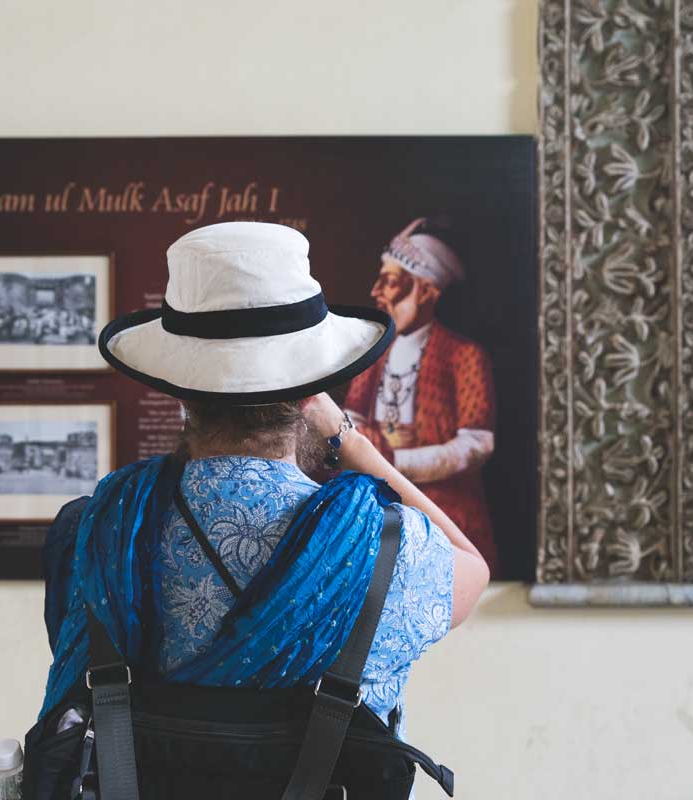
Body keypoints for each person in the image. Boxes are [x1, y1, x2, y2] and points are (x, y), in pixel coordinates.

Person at [37, 221, 489, 744]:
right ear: (309, 396)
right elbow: (472, 569)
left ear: (181, 394)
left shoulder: (105, 530)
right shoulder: (386, 547)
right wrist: (354, 444)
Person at [344, 218, 500, 573]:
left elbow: (476, 444)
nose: (376, 290)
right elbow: (351, 417)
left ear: (425, 292)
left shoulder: (464, 355)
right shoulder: (374, 353)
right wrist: (361, 437)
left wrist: (395, 462)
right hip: (381, 509)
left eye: (391, 282)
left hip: (448, 514)